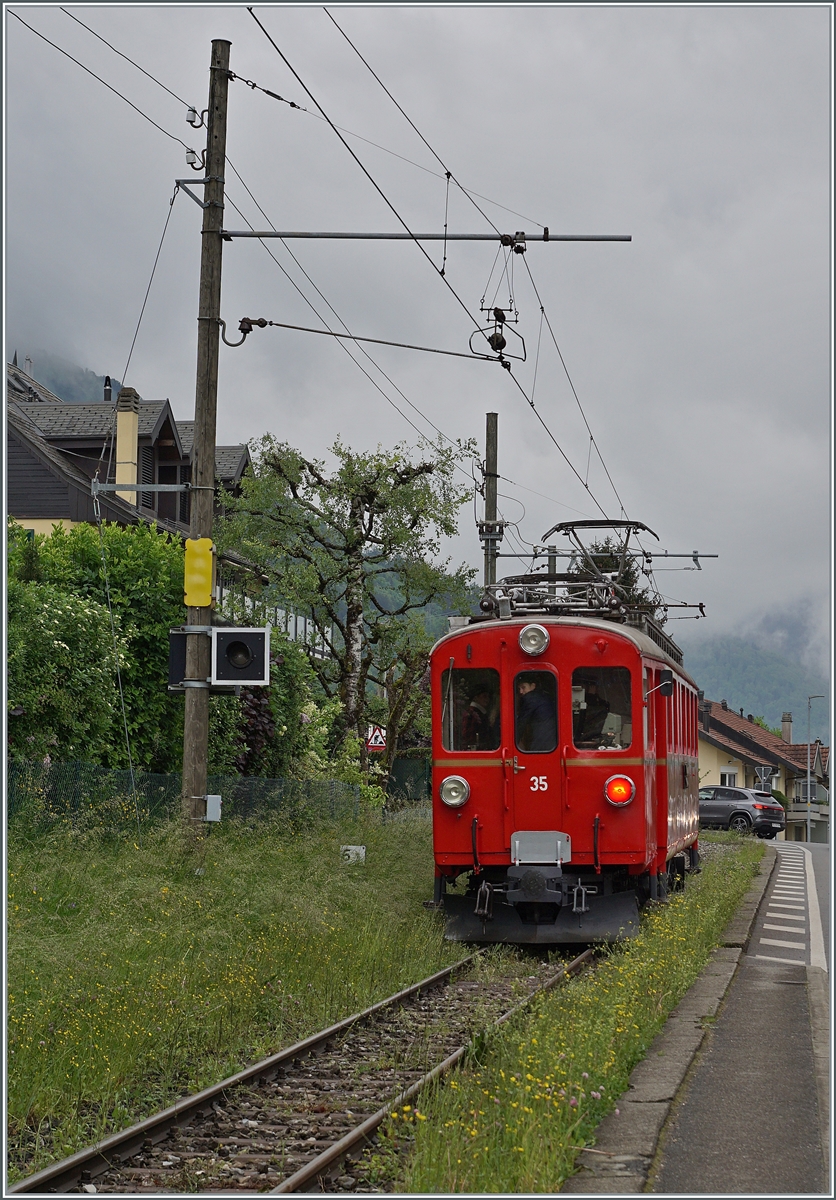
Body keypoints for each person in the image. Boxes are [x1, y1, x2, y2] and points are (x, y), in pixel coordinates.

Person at [516, 676, 557, 752]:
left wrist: (514, 741)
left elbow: (522, 722)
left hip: (541, 740)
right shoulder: (544, 696)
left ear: (533, 686)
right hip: (550, 740)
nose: (521, 691)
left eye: (523, 687)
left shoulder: (530, 698)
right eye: (519, 689)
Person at [577, 680, 610, 745]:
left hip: (593, 734)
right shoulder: (582, 701)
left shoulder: (600, 703)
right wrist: (590, 696)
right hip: (583, 734)